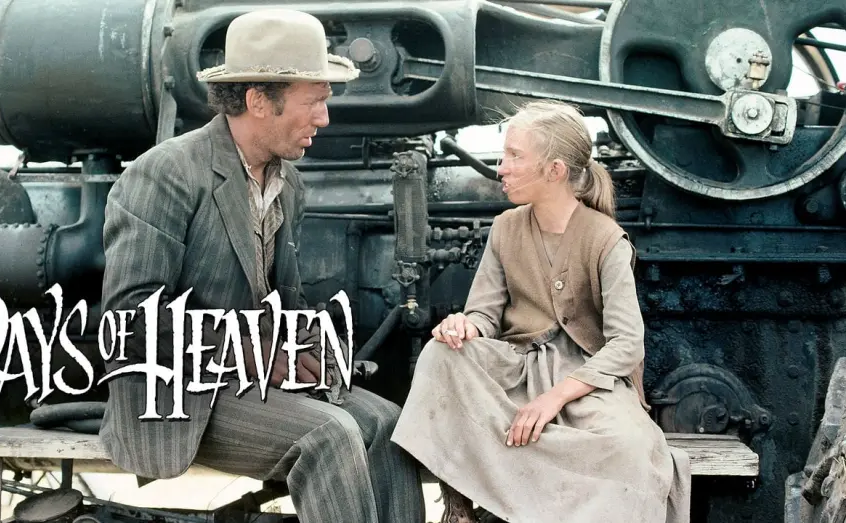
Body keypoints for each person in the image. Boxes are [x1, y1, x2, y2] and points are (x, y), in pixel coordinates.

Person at [98, 9, 425, 523]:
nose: (324, 118)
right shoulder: (164, 173)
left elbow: (280, 303)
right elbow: (130, 320)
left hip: (254, 384)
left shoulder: (288, 184)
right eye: (313, 101)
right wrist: (254, 356)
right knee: (330, 434)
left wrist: (307, 347)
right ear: (257, 101)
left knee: (389, 423)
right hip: (179, 393)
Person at [391, 100, 691, 523]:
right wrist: (464, 326)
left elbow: (626, 344)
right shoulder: (505, 227)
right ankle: (460, 510)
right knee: (442, 354)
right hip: (515, 372)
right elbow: (484, 316)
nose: (501, 168)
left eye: (515, 156)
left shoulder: (606, 240)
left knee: (634, 451)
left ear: (555, 170)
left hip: (587, 385)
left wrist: (553, 399)